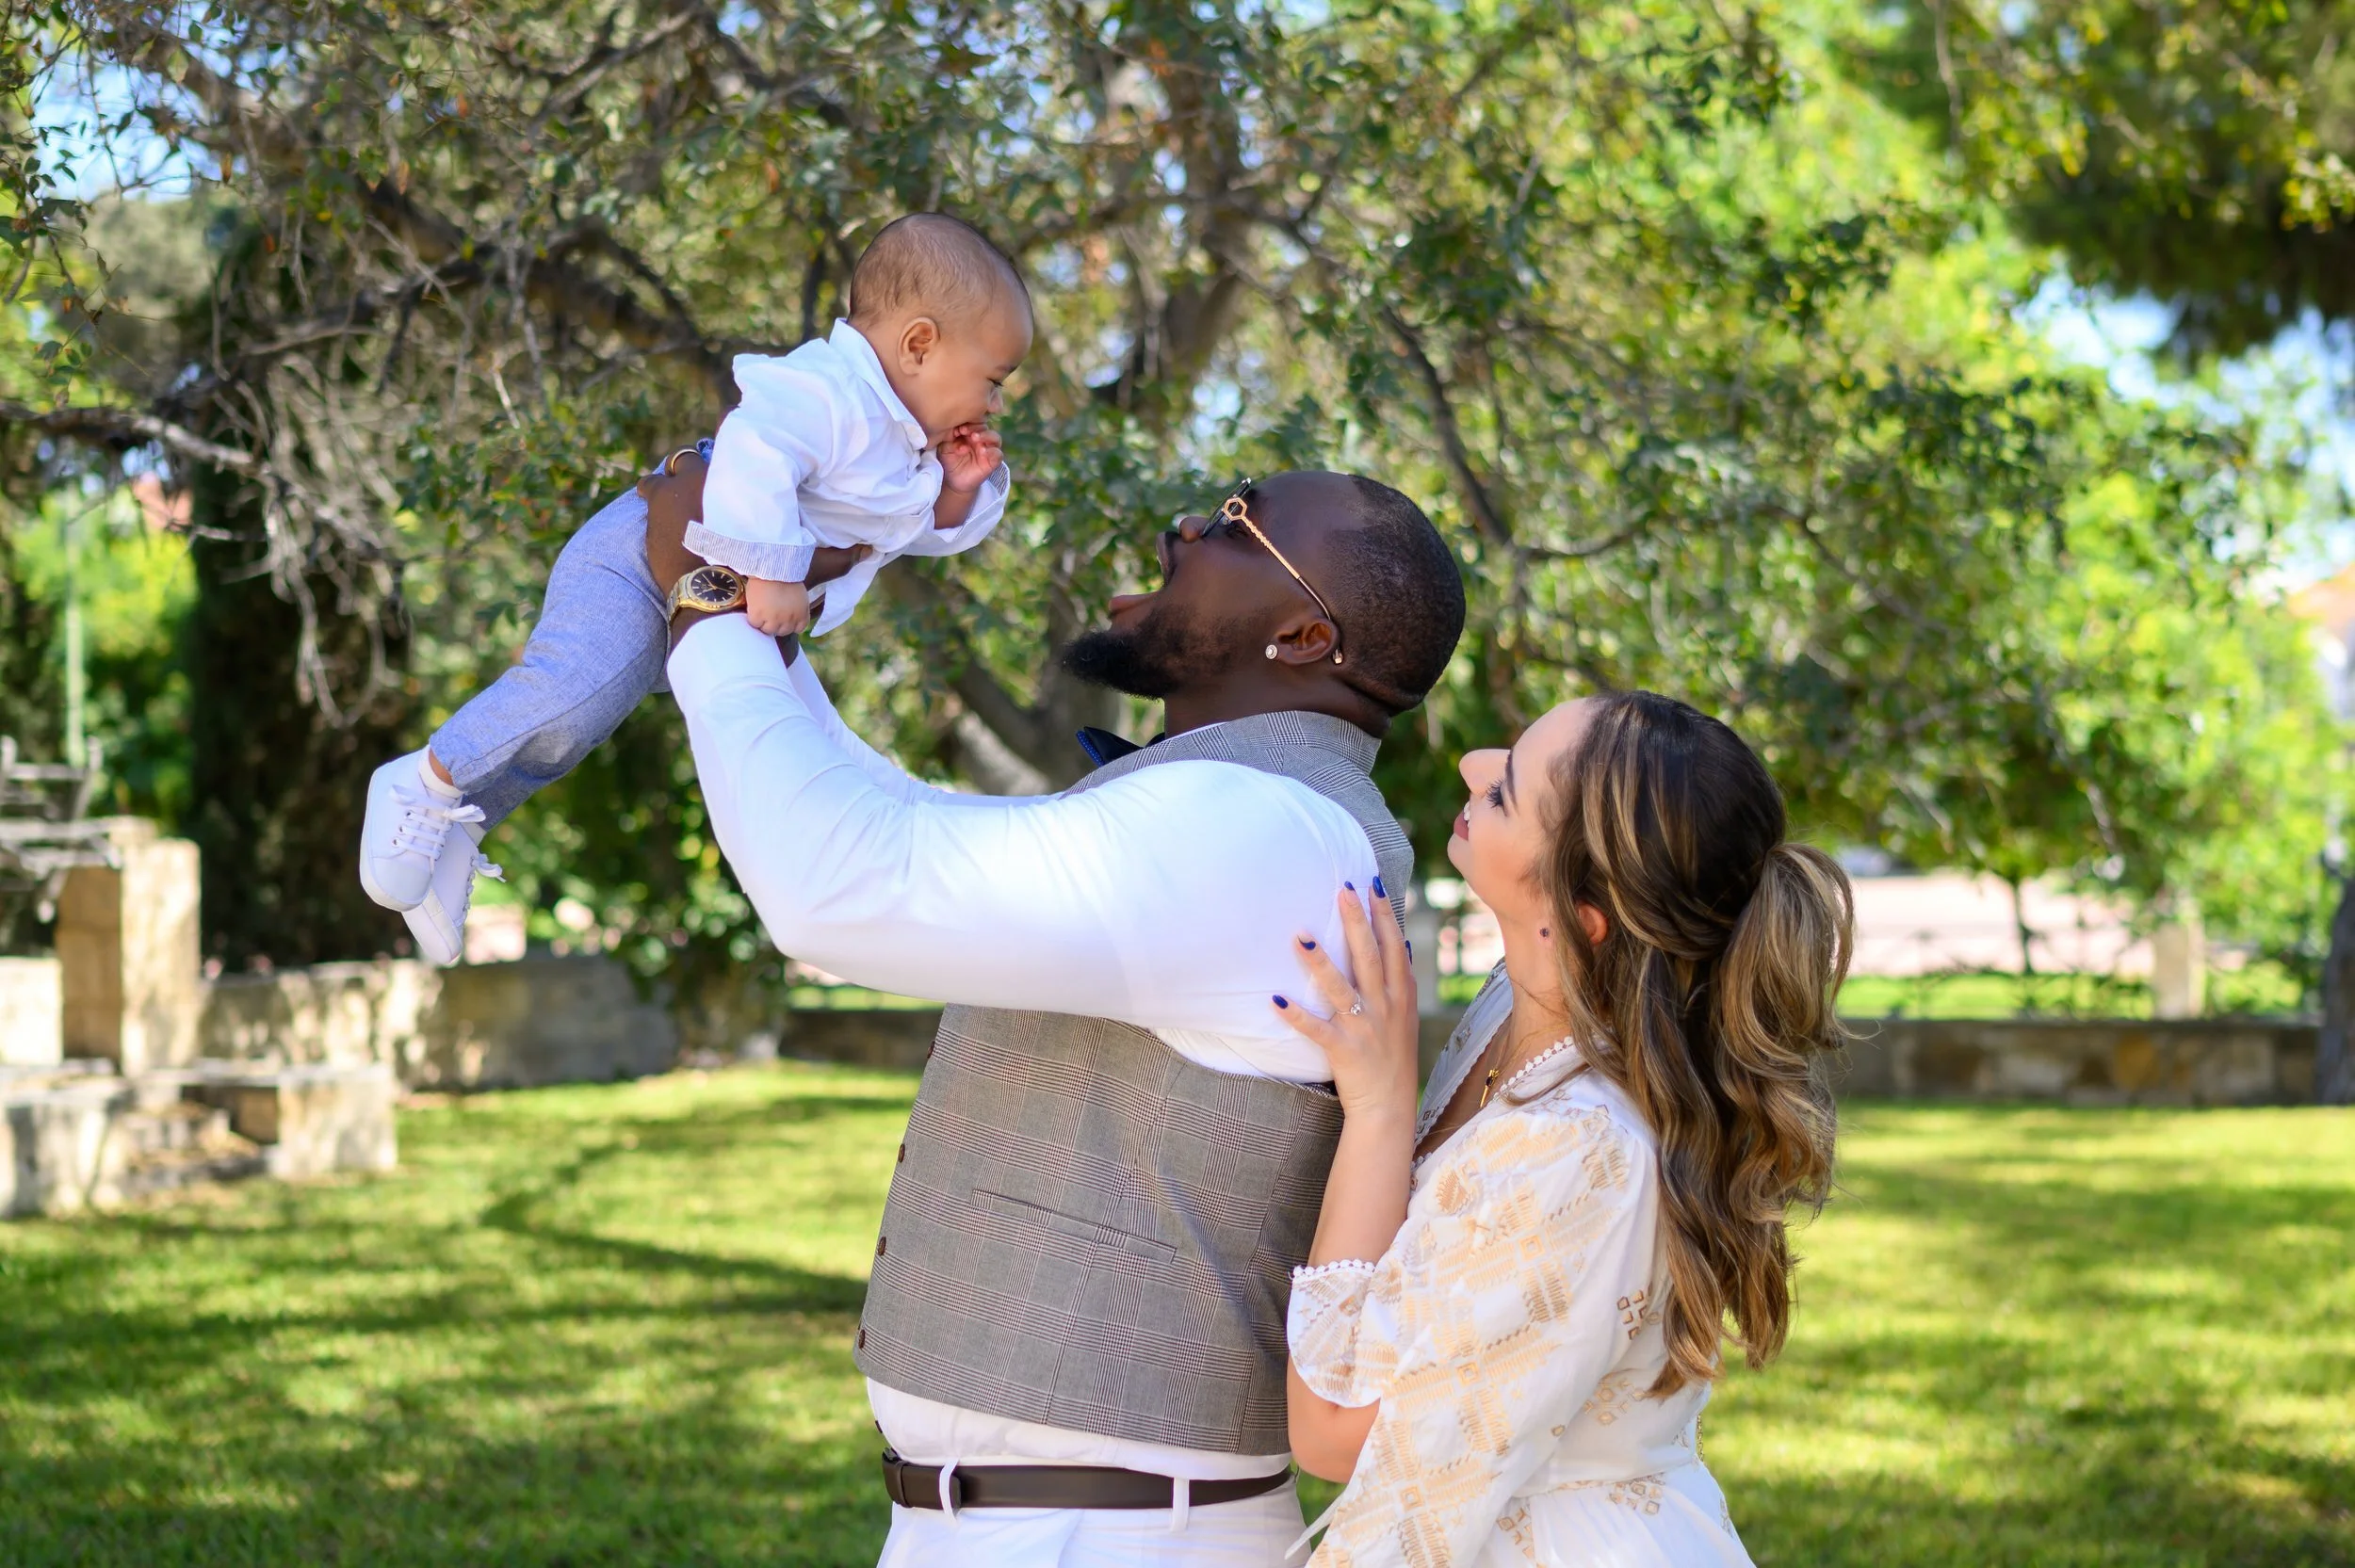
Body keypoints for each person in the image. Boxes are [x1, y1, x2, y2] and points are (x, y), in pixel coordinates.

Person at [642, 455, 1466, 1566]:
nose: (1181, 526)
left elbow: (838, 887)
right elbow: (905, 823)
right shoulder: (1237, 805)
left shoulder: (1260, 829)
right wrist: (764, 627)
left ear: (1307, 639)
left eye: (1233, 523)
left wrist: (705, 620)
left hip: (1105, 1535)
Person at [1271, 691, 1853, 1566]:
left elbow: (1335, 1433)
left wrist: (1382, 1109)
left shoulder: (1579, 1148)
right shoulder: (1516, 1004)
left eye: (1504, 789)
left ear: (1580, 917)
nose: (1471, 764)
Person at [355, 213, 1031, 963]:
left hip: (710, 594)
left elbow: (916, 528)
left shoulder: (911, 451)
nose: (995, 403)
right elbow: (754, 445)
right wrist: (773, 572)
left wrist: (962, 492)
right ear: (918, 345)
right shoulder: (829, 391)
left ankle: (461, 823)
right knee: (570, 689)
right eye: (992, 380)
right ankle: (423, 779)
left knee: (585, 722)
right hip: (644, 553)